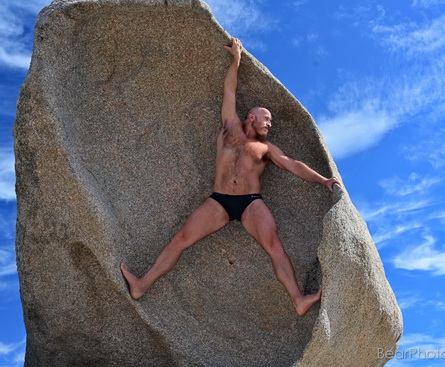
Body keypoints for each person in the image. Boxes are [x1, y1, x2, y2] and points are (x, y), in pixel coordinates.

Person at [121, 38, 340, 316]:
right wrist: (236, 60)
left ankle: (298, 299)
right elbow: (230, 90)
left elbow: (292, 165)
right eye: (266, 119)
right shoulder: (230, 127)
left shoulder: (266, 148)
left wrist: (323, 180)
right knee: (181, 239)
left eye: (270, 121)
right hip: (219, 200)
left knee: (275, 246)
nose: (269, 124)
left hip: (251, 203)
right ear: (251, 117)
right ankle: (141, 285)